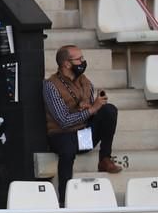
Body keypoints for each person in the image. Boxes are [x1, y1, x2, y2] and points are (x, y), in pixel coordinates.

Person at [43, 44, 122, 204]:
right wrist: (91, 110)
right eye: (79, 59)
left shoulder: (85, 81)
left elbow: (90, 105)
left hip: (82, 133)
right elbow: (63, 121)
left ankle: (104, 159)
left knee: (108, 110)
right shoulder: (51, 85)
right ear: (66, 63)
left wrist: (90, 105)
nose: (83, 62)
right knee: (67, 150)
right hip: (62, 134)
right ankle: (65, 201)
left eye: (82, 58)